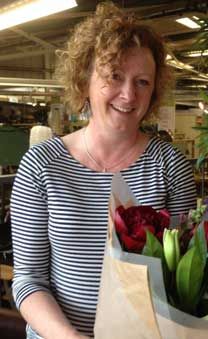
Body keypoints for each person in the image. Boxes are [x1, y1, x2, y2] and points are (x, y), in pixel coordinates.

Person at [10, 3, 197, 339]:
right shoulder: (41, 165)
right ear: (84, 80)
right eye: (114, 76)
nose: (128, 94)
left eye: (142, 81)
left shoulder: (170, 166)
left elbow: (185, 279)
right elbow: (28, 279)